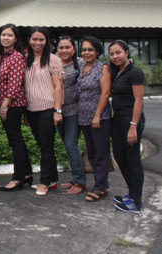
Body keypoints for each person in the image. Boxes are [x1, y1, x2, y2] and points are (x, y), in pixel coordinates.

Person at [24, 26, 63, 196]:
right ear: (29, 40)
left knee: (46, 146)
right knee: (43, 145)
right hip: (31, 109)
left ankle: (45, 182)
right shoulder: (26, 59)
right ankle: (53, 179)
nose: (37, 43)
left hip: (48, 108)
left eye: (41, 39)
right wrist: (26, 112)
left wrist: (57, 110)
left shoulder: (52, 59)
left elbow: (58, 86)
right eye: (34, 39)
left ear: (46, 41)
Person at [109, 40, 146, 214]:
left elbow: (138, 100)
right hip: (117, 121)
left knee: (132, 159)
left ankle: (136, 202)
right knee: (119, 156)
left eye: (118, 52)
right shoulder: (118, 72)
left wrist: (133, 126)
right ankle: (131, 194)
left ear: (127, 53)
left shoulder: (135, 72)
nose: (115, 56)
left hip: (130, 121)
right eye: (112, 54)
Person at [0, 24, 33, 191]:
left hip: (13, 105)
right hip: (4, 104)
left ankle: (17, 178)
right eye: (3, 35)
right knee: (16, 139)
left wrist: (4, 105)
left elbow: (15, 84)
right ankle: (26, 174)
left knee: (15, 139)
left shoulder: (17, 57)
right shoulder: (2, 57)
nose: (5, 38)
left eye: (9, 35)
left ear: (15, 38)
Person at [77, 36, 112, 203]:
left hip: (100, 117)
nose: (86, 52)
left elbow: (105, 92)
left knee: (101, 153)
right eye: (84, 49)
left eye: (90, 49)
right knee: (91, 152)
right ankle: (101, 184)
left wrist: (97, 115)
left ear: (98, 51)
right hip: (84, 118)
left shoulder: (102, 68)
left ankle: (100, 187)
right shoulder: (83, 67)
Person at [56, 35, 87, 195]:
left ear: (74, 49)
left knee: (71, 144)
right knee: (68, 146)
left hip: (75, 111)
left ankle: (80, 182)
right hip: (58, 111)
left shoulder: (80, 63)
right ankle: (75, 178)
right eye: (61, 47)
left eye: (68, 47)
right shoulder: (54, 62)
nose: (64, 50)